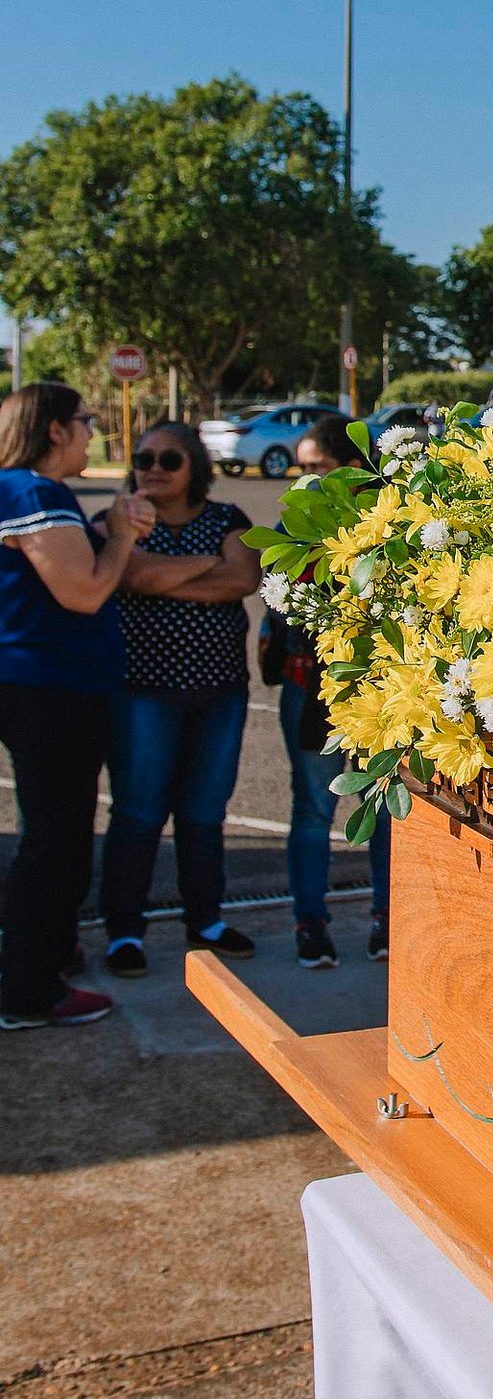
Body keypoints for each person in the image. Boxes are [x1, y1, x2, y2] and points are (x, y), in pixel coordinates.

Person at [0, 382, 153, 1029]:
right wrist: (120, 536)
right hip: (51, 688)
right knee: (54, 837)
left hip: (38, 684)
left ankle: (50, 955)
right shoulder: (33, 493)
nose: (93, 433)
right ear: (55, 430)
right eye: (85, 422)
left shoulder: (25, 493)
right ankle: (30, 990)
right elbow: (83, 593)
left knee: (55, 830)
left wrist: (97, 531)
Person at [98, 422, 261, 976]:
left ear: (194, 466)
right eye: (144, 459)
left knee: (204, 812)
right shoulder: (121, 520)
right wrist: (203, 564)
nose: (154, 469)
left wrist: (159, 576)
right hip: (142, 693)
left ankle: (205, 920)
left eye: (169, 459)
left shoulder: (228, 519)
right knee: (138, 811)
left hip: (219, 693)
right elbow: (134, 577)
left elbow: (242, 579)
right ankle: (124, 931)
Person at [267, 415, 389, 968]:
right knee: (314, 809)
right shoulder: (296, 524)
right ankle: (310, 923)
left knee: (383, 808)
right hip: (309, 687)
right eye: (302, 469)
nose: (305, 480)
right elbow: (277, 604)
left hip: (377, 690)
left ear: (352, 467)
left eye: (317, 468)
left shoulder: (388, 520)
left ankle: (389, 918)